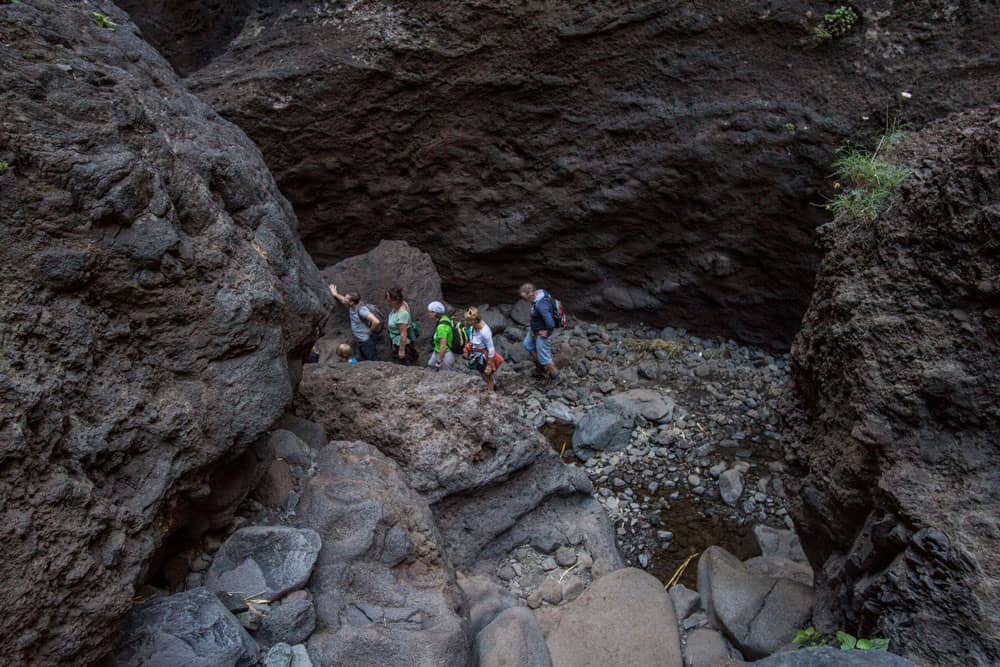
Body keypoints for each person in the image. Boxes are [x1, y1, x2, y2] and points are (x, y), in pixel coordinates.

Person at [328, 284, 381, 361]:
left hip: (366, 341)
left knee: (371, 359)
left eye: (346, 298)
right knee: (364, 358)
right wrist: (335, 294)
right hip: (360, 340)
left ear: (352, 302)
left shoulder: (361, 310)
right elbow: (343, 300)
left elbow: (376, 321)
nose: (344, 299)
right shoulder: (352, 305)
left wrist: (371, 331)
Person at [519, 282, 558, 383]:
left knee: (545, 358)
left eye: (526, 298)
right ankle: (540, 369)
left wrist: (548, 333)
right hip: (534, 330)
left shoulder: (541, 305)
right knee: (528, 345)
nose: (526, 301)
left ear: (532, 294)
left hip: (542, 334)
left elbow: (550, 323)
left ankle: (555, 377)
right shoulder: (540, 292)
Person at [463, 307, 503, 392]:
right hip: (477, 355)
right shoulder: (473, 328)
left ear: (474, 321)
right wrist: (468, 350)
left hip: (484, 357)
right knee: (483, 374)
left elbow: (491, 349)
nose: (466, 322)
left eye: (468, 320)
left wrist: (489, 365)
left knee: (487, 377)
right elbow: (472, 340)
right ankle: (493, 385)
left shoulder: (485, 332)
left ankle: (491, 395)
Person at [386, 286, 418, 365]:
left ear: (394, 301)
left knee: (404, 364)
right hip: (395, 339)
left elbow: (403, 334)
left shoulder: (402, 314)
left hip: (401, 343)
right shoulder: (402, 304)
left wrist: (401, 350)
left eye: (388, 298)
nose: (387, 299)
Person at [427, 301, 456, 371]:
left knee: (446, 373)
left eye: (430, 312)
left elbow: (443, 346)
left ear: (435, 312)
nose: (428, 314)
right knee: (430, 364)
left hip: (445, 354)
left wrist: (439, 361)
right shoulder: (444, 318)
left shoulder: (442, 327)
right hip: (437, 350)